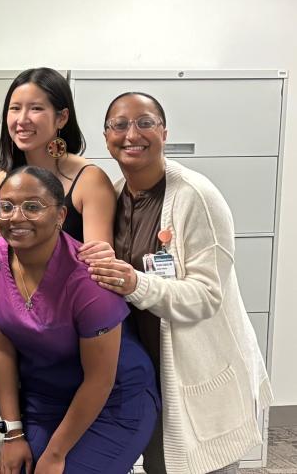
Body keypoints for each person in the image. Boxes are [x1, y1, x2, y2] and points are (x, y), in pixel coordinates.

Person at [84, 92, 271, 474]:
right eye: (119, 125)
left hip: (198, 370)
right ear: (106, 137)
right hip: (148, 376)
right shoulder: (116, 196)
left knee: (202, 464)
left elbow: (206, 296)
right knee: (160, 464)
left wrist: (135, 282)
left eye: (145, 122)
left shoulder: (196, 196)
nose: (131, 133)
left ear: (164, 132)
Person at [0, 166, 159, 474]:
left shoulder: (88, 278)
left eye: (32, 206)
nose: (16, 217)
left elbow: (99, 380)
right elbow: (0, 348)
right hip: (44, 399)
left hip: (112, 399)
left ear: (61, 215)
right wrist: (13, 433)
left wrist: (55, 454)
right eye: (5, 207)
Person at [0, 68, 116, 245]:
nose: (22, 119)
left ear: (62, 118)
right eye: (15, 108)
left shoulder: (90, 180)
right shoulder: (2, 179)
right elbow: (1, 252)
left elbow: (100, 265)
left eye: (36, 108)